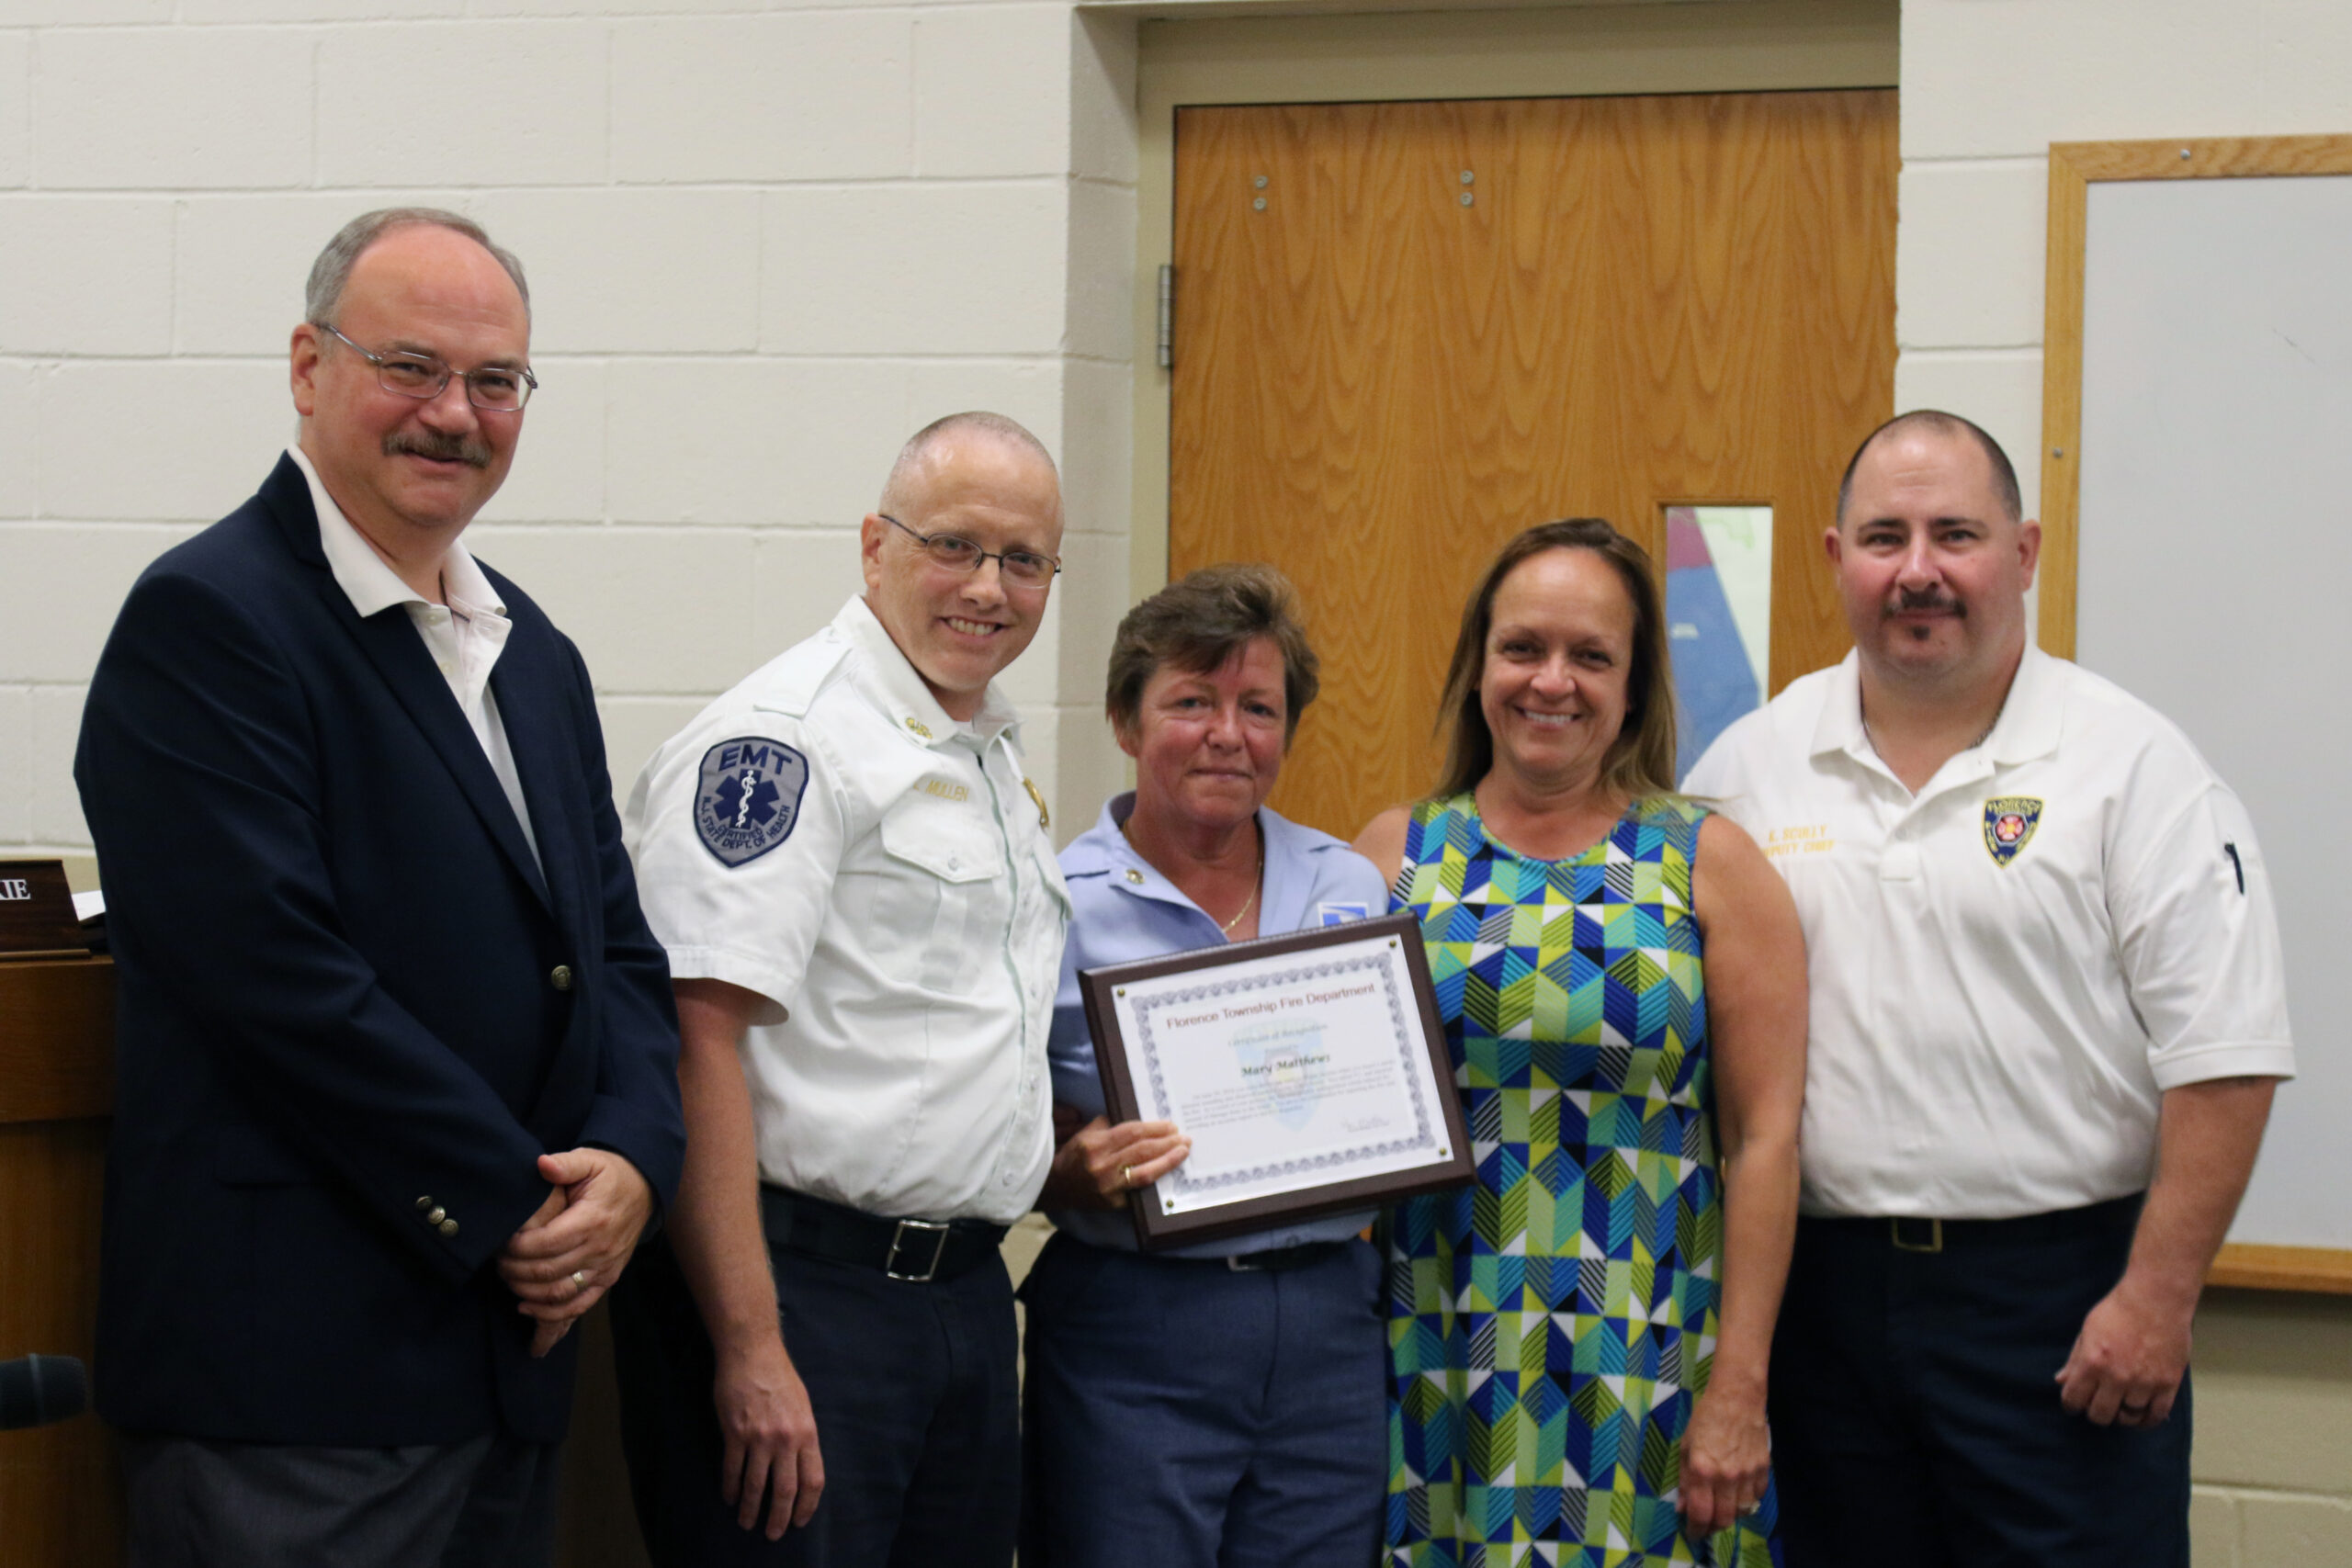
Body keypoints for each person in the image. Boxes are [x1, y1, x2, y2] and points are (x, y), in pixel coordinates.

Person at [73, 209, 686, 1566]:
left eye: (495, 381)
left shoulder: (535, 653)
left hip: (508, 1363)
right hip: (295, 1384)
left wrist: (640, 1159)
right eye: (412, 365)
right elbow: (281, 987)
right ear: (308, 365)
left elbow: (621, 958)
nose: (455, 413)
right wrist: (519, 1206)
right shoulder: (210, 622)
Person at [1684, 409, 2294, 1563]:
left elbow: (2227, 1054)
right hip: (1820, 1308)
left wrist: (2157, 1297)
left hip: (2063, 1309)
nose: (1917, 572)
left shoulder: (2132, 766)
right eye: (1884, 538)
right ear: (1834, 560)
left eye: (1953, 535)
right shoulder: (1745, 772)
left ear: (2021, 554)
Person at [613, 412, 1069, 1567]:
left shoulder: (982, 748)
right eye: (954, 546)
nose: (989, 588)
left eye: (1024, 561)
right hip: (800, 1300)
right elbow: (692, 1037)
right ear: (874, 545)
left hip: (960, 1298)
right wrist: (752, 1347)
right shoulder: (786, 740)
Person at [1355, 518, 1807, 1567]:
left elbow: (1766, 1143)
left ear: (1635, 686)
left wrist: (1740, 1385)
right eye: (1522, 648)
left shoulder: (1710, 866)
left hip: (1643, 1356)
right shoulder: (1394, 855)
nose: (1550, 681)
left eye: (1590, 656)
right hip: (1430, 1349)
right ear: (1478, 669)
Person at [1020, 562, 1392, 1567]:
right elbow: (1004, 1128)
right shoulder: (1052, 903)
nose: (1228, 732)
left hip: (1327, 1320)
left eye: (1257, 707)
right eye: (1191, 701)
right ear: (1124, 721)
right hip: (1134, 1326)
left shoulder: (1347, 885)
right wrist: (1072, 1169)